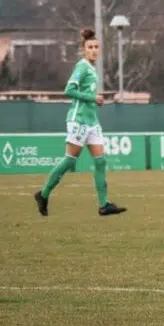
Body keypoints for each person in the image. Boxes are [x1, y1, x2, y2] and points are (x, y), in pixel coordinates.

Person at [33, 28, 126, 217]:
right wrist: (92, 98)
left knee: (101, 161)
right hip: (79, 120)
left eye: (96, 47)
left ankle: (103, 205)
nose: (93, 50)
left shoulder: (91, 69)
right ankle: (43, 194)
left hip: (92, 121)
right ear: (84, 50)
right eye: (90, 47)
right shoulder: (82, 66)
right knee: (69, 161)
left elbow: (87, 95)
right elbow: (69, 90)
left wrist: (94, 101)